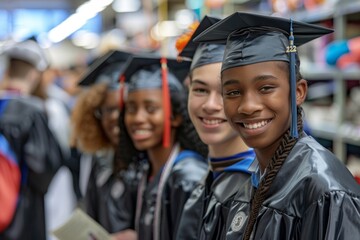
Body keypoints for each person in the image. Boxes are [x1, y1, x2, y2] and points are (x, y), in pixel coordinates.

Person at [194, 11, 360, 239]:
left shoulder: (324, 190)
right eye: (233, 92)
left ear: (299, 91)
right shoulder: (251, 181)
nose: (248, 106)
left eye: (266, 88)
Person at [175, 16, 255, 240]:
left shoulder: (260, 187)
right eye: (200, 90)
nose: (210, 105)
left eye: (227, 91)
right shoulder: (210, 176)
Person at [113, 55, 208, 240]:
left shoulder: (188, 177)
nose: (138, 118)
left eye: (151, 109)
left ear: (176, 117)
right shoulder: (147, 171)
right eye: (131, 109)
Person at [0, 39, 64, 240]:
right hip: (22, 217)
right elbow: (45, 168)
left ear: (8, 70)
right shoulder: (33, 112)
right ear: (34, 74)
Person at [70, 50, 138, 234]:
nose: (115, 118)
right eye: (108, 110)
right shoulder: (99, 159)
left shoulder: (146, 162)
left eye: (124, 109)